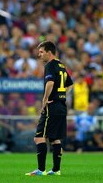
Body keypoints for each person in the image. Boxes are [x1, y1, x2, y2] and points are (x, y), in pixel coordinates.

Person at [25, 41, 73, 176]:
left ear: (49, 52)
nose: (39, 55)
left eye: (41, 52)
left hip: (52, 106)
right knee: (54, 138)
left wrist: (45, 100)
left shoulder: (50, 65)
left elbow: (50, 83)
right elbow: (70, 84)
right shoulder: (61, 65)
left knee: (39, 137)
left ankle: (41, 170)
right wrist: (62, 96)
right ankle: (56, 170)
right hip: (62, 106)